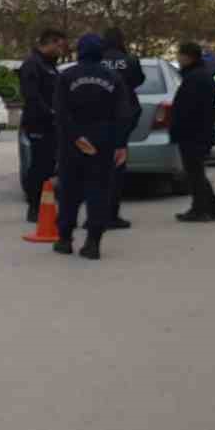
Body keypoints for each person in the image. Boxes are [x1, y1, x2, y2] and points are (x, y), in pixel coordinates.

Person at [51, 34, 131, 260]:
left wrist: (76, 136)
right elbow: (123, 114)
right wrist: (120, 143)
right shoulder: (113, 78)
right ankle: (93, 242)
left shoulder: (67, 76)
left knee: (69, 191)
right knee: (99, 191)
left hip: (72, 142)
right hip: (103, 141)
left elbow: (60, 111)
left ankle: (65, 239)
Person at [172, 42, 215, 222]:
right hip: (199, 131)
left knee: (194, 173)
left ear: (188, 57)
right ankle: (214, 207)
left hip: (193, 132)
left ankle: (200, 210)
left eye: (179, 55)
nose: (178, 58)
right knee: (196, 171)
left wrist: (179, 128)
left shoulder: (196, 78)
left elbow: (188, 108)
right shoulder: (199, 75)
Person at [18, 28, 68, 223]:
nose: (61, 51)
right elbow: (32, 96)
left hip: (52, 124)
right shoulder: (33, 65)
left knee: (48, 166)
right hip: (38, 123)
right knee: (39, 166)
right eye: (59, 46)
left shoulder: (49, 65)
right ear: (50, 43)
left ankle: (44, 207)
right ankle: (34, 207)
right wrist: (50, 113)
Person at [100, 27, 145, 229]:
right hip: (121, 120)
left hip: (98, 120)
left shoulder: (96, 60)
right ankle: (111, 215)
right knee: (117, 167)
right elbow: (138, 80)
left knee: (97, 169)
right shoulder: (130, 60)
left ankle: (96, 214)